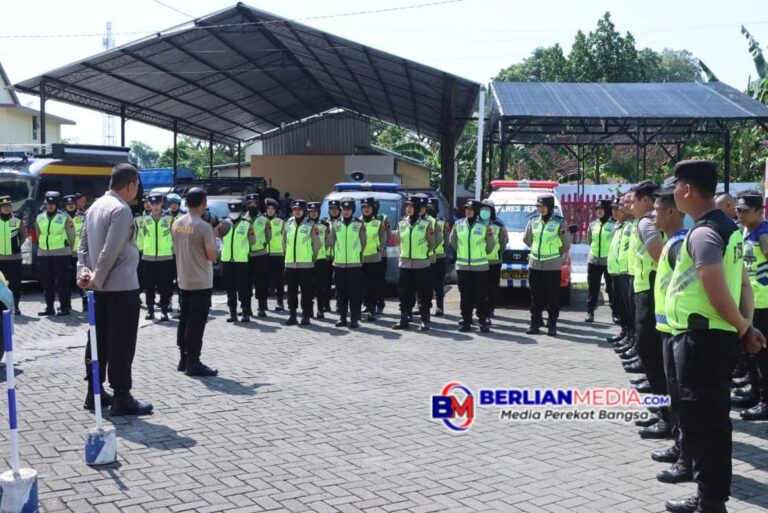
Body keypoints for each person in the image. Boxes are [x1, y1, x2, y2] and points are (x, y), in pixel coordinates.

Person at [664, 160, 766, 513]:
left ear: (688, 189)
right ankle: (710, 495)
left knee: (703, 426)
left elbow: (717, 287)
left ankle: (710, 502)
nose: (674, 192)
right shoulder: (729, 229)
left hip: (701, 341)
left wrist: (742, 328)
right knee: (713, 423)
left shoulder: (705, 232)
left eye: (676, 186)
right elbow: (744, 287)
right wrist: (746, 326)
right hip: (711, 339)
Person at [78, 163, 153, 415]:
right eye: (137, 187)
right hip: (120, 287)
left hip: (99, 290)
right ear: (130, 185)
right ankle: (122, 396)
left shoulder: (94, 206)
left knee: (97, 340)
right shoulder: (121, 210)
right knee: (121, 343)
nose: (137, 192)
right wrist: (96, 277)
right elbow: (110, 251)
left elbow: (83, 246)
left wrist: (84, 273)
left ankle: (94, 392)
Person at [650, 183, 692, 485]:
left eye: (655, 209)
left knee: (679, 399)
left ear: (669, 212)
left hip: (677, 332)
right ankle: (680, 448)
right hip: (667, 329)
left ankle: (685, 456)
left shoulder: (678, 244)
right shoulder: (670, 242)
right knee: (673, 395)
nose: (653, 214)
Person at [627, 181, 670, 439]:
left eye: (633, 200)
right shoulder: (643, 222)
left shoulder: (645, 223)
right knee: (650, 354)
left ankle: (666, 417)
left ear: (644, 201)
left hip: (651, 293)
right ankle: (662, 413)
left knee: (651, 354)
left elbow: (661, 256)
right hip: (646, 290)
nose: (630, 205)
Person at [172, 188, 230, 377]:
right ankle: (194, 362)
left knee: (184, 320)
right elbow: (212, 256)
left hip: (183, 279)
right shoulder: (204, 227)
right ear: (204, 203)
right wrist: (214, 233)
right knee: (196, 323)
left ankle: (183, 358)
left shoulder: (176, 223)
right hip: (201, 282)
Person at [733, 191, 768, 420]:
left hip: (764, 302)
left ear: (759, 211)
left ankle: (765, 401)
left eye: (745, 211)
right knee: (751, 353)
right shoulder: (745, 231)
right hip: (750, 302)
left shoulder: (764, 234)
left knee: (763, 355)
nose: (740, 214)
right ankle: (754, 392)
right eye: (738, 210)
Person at [524, 194, 570, 336]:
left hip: (552, 264)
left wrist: (554, 254)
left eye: (544, 206)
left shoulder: (559, 222)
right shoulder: (533, 221)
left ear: (550, 207)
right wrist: (537, 251)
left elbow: (565, 244)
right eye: (539, 206)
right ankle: (535, 322)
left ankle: (552, 324)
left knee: (553, 296)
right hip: (535, 263)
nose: (541, 209)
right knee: (535, 295)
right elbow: (527, 239)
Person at [450, 200, 494, 332]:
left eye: (470, 209)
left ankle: (482, 320)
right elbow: (453, 241)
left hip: (480, 266)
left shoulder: (485, 226)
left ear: (476, 211)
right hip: (463, 266)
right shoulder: (458, 224)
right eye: (466, 209)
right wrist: (462, 252)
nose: (468, 211)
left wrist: (480, 253)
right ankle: (466, 320)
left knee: (481, 296)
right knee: (465, 296)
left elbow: (490, 245)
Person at [393, 195, 435, 331]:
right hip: (405, 264)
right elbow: (400, 240)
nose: (408, 209)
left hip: (421, 264)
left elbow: (431, 243)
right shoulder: (402, 224)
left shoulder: (426, 224)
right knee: (405, 294)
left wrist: (423, 254)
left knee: (424, 294)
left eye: (411, 206)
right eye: (407, 206)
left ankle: (425, 319)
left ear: (417, 208)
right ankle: (404, 319)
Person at [328, 198, 366, 328]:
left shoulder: (359, 224)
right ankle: (342, 317)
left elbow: (363, 242)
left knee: (354, 293)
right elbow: (331, 241)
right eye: (344, 209)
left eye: (349, 209)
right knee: (341, 293)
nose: (346, 211)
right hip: (339, 264)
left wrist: (357, 254)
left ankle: (354, 318)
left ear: (353, 210)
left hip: (354, 264)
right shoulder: (336, 224)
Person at [36, 191, 75, 317]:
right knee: (47, 282)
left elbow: (71, 236)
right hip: (44, 254)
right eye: (48, 204)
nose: (50, 206)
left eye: (53, 204)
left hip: (61, 254)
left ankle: (64, 307)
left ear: (57, 204)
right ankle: (49, 307)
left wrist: (66, 248)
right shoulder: (39, 217)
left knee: (62, 282)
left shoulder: (64, 217)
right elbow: (39, 234)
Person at [283, 199, 321, 325]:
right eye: (295, 209)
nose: (297, 212)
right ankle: (292, 315)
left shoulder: (311, 225)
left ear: (304, 211)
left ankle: (306, 315)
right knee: (291, 291)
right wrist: (288, 256)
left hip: (306, 264)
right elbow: (284, 242)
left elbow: (317, 244)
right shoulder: (288, 224)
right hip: (290, 264)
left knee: (306, 292)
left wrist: (311, 257)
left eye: (299, 210)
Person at [141, 193, 175, 322]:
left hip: (165, 256)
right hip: (148, 257)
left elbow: (174, 236)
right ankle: (150, 310)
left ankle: (164, 310)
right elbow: (142, 235)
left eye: (157, 203)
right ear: (149, 203)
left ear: (161, 203)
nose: (155, 206)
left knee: (165, 285)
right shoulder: (144, 219)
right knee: (149, 285)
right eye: (152, 203)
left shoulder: (169, 219)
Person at [221, 199, 254, 323]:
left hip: (242, 261)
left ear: (240, 211)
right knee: (230, 289)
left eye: (236, 210)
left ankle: (245, 312)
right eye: (232, 210)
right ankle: (232, 313)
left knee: (244, 288)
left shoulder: (247, 224)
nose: (233, 212)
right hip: (227, 260)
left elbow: (252, 241)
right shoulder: (224, 223)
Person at [585, 199, 617, 323]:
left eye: (601, 209)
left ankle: (615, 313)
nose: (599, 211)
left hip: (608, 261)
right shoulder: (593, 225)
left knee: (611, 289)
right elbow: (590, 240)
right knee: (593, 288)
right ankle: (590, 312)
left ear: (607, 210)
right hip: (593, 260)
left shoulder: (614, 224)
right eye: (597, 209)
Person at [606, 195, 631, 345]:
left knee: (627, 308)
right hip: (615, 272)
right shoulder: (617, 226)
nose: (615, 212)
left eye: (617, 209)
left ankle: (630, 337)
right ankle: (625, 333)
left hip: (625, 273)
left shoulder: (629, 226)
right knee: (619, 306)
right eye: (613, 209)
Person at [360, 197, 387, 322]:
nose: (366, 210)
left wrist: (378, 247)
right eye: (364, 207)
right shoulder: (357, 222)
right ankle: (364, 306)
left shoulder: (378, 222)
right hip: (359, 258)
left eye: (368, 207)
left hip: (374, 258)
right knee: (362, 285)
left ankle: (372, 310)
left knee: (372, 285)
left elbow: (383, 237)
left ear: (373, 208)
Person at [244, 193, 270, 318]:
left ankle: (261, 307)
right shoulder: (243, 219)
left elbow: (269, 235)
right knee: (246, 282)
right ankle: (246, 307)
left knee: (261, 282)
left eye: (254, 203)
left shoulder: (264, 219)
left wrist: (263, 244)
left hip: (260, 254)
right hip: (246, 254)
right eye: (250, 204)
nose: (252, 206)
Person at [480, 199, 507, 319]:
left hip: (494, 261)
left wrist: (497, 255)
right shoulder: (477, 223)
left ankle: (490, 309)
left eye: (487, 209)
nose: (484, 211)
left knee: (492, 288)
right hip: (479, 261)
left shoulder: (499, 224)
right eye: (482, 209)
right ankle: (481, 309)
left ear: (492, 210)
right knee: (481, 287)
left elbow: (503, 242)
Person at [0, 196, 26, 315]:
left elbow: (23, 236)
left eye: (8, 206)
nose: (5, 208)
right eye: (3, 206)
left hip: (14, 258)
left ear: (11, 207)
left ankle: (15, 306)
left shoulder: (18, 219)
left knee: (15, 284)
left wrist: (15, 246)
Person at [64, 194, 88, 312]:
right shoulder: (62, 217)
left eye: (72, 204)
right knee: (66, 280)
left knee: (82, 278)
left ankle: (85, 303)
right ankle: (67, 304)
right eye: (68, 205)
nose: (71, 206)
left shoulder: (84, 216)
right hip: (66, 253)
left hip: (80, 253)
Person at [306, 202, 330, 319]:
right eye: (311, 212)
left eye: (315, 212)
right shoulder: (304, 225)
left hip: (321, 260)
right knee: (307, 287)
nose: (313, 214)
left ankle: (320, 309)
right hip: (307, 260)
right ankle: (309, 310)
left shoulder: (324, 225)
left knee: (320, 287)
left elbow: (329, 241)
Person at [428, 198, 451, 317]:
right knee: (425, 283)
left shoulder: (443, 222)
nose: (429, 210)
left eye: (432, 208)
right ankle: (423, 305)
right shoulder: (424, 222)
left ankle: (439, 307)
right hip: (426, 257)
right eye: (428, 207)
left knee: (439, 284)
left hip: (439, 257)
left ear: (437, 209)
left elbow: (447, 241)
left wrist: (440, 250)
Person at [265, 198, 286, 312]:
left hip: (278, 254)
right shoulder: (261, 220)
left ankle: (280, 302)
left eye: (272, 208)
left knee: (279, 279)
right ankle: (263, 304)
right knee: (265, 279)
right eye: (268, 208)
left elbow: (286, 239)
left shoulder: (281, 222)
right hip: (264, 253)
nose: (270, 210)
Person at [321, 199, 342, 313]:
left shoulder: (342, 222)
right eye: (331, 209)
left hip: (338, 257)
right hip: (326, 257)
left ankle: (339, 305)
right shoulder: (323, 222)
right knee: (326, 282)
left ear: (340, 210)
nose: (334, 211)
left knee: (339, 283)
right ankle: (326, 304)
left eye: (336, 209)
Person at [374, 199, 391, 314]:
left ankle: (380, 304)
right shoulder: (362, 218)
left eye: (374, 206)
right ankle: (368, 304)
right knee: (367, 281)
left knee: (379, 281)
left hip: (381, 254)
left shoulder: (383, 218)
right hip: (367, 255)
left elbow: (388, 235)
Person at [135, 194, 150, 305]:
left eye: (149, 202)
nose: (147, 205)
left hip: (152, 251)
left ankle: (152, 299)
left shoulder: (159, 217)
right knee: (139, 275)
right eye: (145, 203)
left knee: (150, 277)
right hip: (139, 251)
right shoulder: (137, 217)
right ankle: (137, 295)